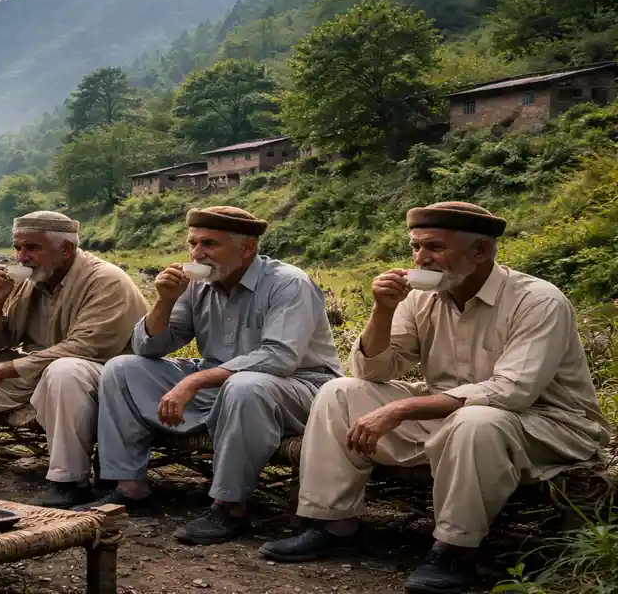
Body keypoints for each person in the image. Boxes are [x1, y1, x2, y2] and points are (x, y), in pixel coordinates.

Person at [259, 202, 612, 594]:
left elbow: (513, 392)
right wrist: (382, 309)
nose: (421, 258)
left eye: (435, 247)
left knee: (477, 421)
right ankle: (330, 524)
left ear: (480, 252)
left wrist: (401, 409)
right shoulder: (421, 297)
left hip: (547, 424)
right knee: (339, 393)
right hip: (450, 413)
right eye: (415, 247)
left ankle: (454, 550)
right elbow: (373, 372)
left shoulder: (538, 301)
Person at [79, 206, 343, 544]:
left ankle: (229, 506)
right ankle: (130, 487)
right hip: (221, 384)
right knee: (123, 368)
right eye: (193, 243)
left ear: (246, 248)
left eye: (209, 244)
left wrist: (193, 382)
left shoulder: (288, 283)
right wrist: (163, 301)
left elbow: (278, 358)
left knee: (245, 386)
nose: (197, 253)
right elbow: (149, 348)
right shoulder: (198, 285)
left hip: (298, 389)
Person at [0, 210, 150, 507]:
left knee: (65, 371)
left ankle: (69, 481)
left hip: (97, 377)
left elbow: (85, 348)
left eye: (32, 248)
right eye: (17, 247)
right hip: (38, 370)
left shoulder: (106, 281)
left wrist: (3, 371)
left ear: (66, 249)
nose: (21, 257)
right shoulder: (32, 279)